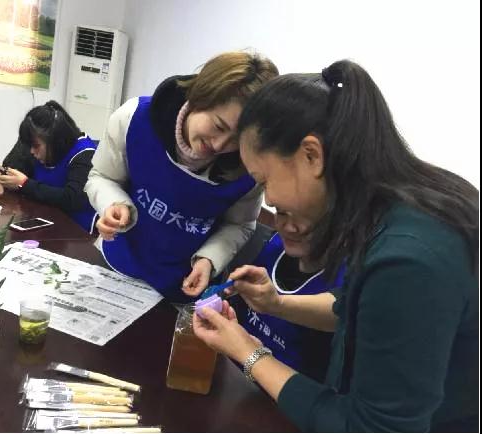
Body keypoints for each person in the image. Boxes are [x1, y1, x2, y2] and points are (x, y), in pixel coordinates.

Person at [193, 60, 479, 432]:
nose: (270, 200)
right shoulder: (401, 206)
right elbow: (359, 308)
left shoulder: (410, 258)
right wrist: (276, 304)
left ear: (311, 155)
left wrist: (247, 352)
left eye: (264, 180)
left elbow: (374, 427)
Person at [84, 52, 279, 302]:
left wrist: (209, 259)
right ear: (199, 96)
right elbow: (101, 177)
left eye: (237, 140)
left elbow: (240, 225)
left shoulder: (248, 167)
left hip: (183, 287)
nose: (220, 145)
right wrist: (113, 204)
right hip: (118, 264)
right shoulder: (134, 120)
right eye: (219, 126)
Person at [237, 214, 346, 382]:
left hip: (279, 391)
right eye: (281, 212)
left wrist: (249, 354)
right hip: (234, 369)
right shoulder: (274, 245)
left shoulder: (346, 282)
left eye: (305, 217)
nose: (289, 227)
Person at [0, 100, 99, 233]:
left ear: (55, 140)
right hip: (45, 222)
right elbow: (11, 168)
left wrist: (25, 184)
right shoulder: (42, 149)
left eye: (35, 146)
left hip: (77, 233)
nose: (32, 151)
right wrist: (26, 140)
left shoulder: (84, 153)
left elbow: (72, 199)